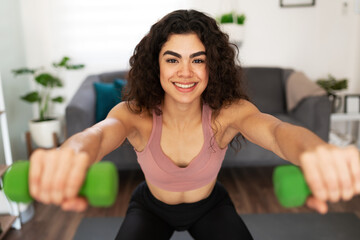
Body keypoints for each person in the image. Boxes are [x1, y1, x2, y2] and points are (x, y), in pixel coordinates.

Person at [29, 9, 360, 240]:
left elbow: (275, 131)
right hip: (150, 208)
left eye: (197, 60)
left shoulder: (228, 113)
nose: (184, 72)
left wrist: (316, 150)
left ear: (211, 67)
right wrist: (71, 152)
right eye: (172, 59)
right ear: (156, 66)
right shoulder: (135, 113)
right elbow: (97, 137)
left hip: (210, 206)